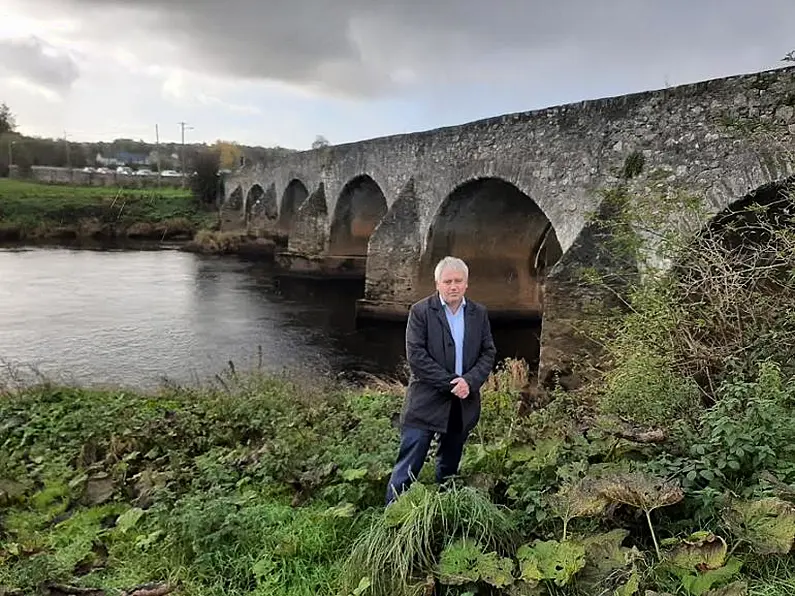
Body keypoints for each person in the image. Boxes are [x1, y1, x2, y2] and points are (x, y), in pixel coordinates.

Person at [385, 256, 496, 505]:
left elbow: (488, 352)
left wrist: (470, 381)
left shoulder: (478, 313)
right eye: (448, 281)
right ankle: (391, 515)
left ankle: (444, 510)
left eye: (458, 281)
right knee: (409, 463)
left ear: (466, 284)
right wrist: (451, 383)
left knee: (449, 463)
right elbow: (417, 357)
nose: (453, 286)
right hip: (426, 401)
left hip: (462, 402)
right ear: (437, 284)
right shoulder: (421, 312)